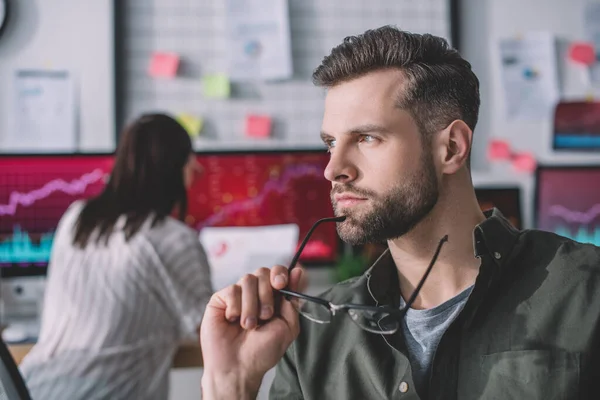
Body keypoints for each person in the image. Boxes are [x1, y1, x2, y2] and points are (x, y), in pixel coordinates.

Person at [199, 26, 600, 400]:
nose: (332, 168)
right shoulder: (312, 336)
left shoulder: (586, 293)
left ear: (451, 148)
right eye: (330, 143)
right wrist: (229, 383)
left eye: (367, 137)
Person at [19, 113, 214, 399]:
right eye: (188, 157)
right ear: (174, 167)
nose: (195, 166)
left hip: (30, 386)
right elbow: (214, 330)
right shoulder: (173, 239)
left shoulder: (76, 217)